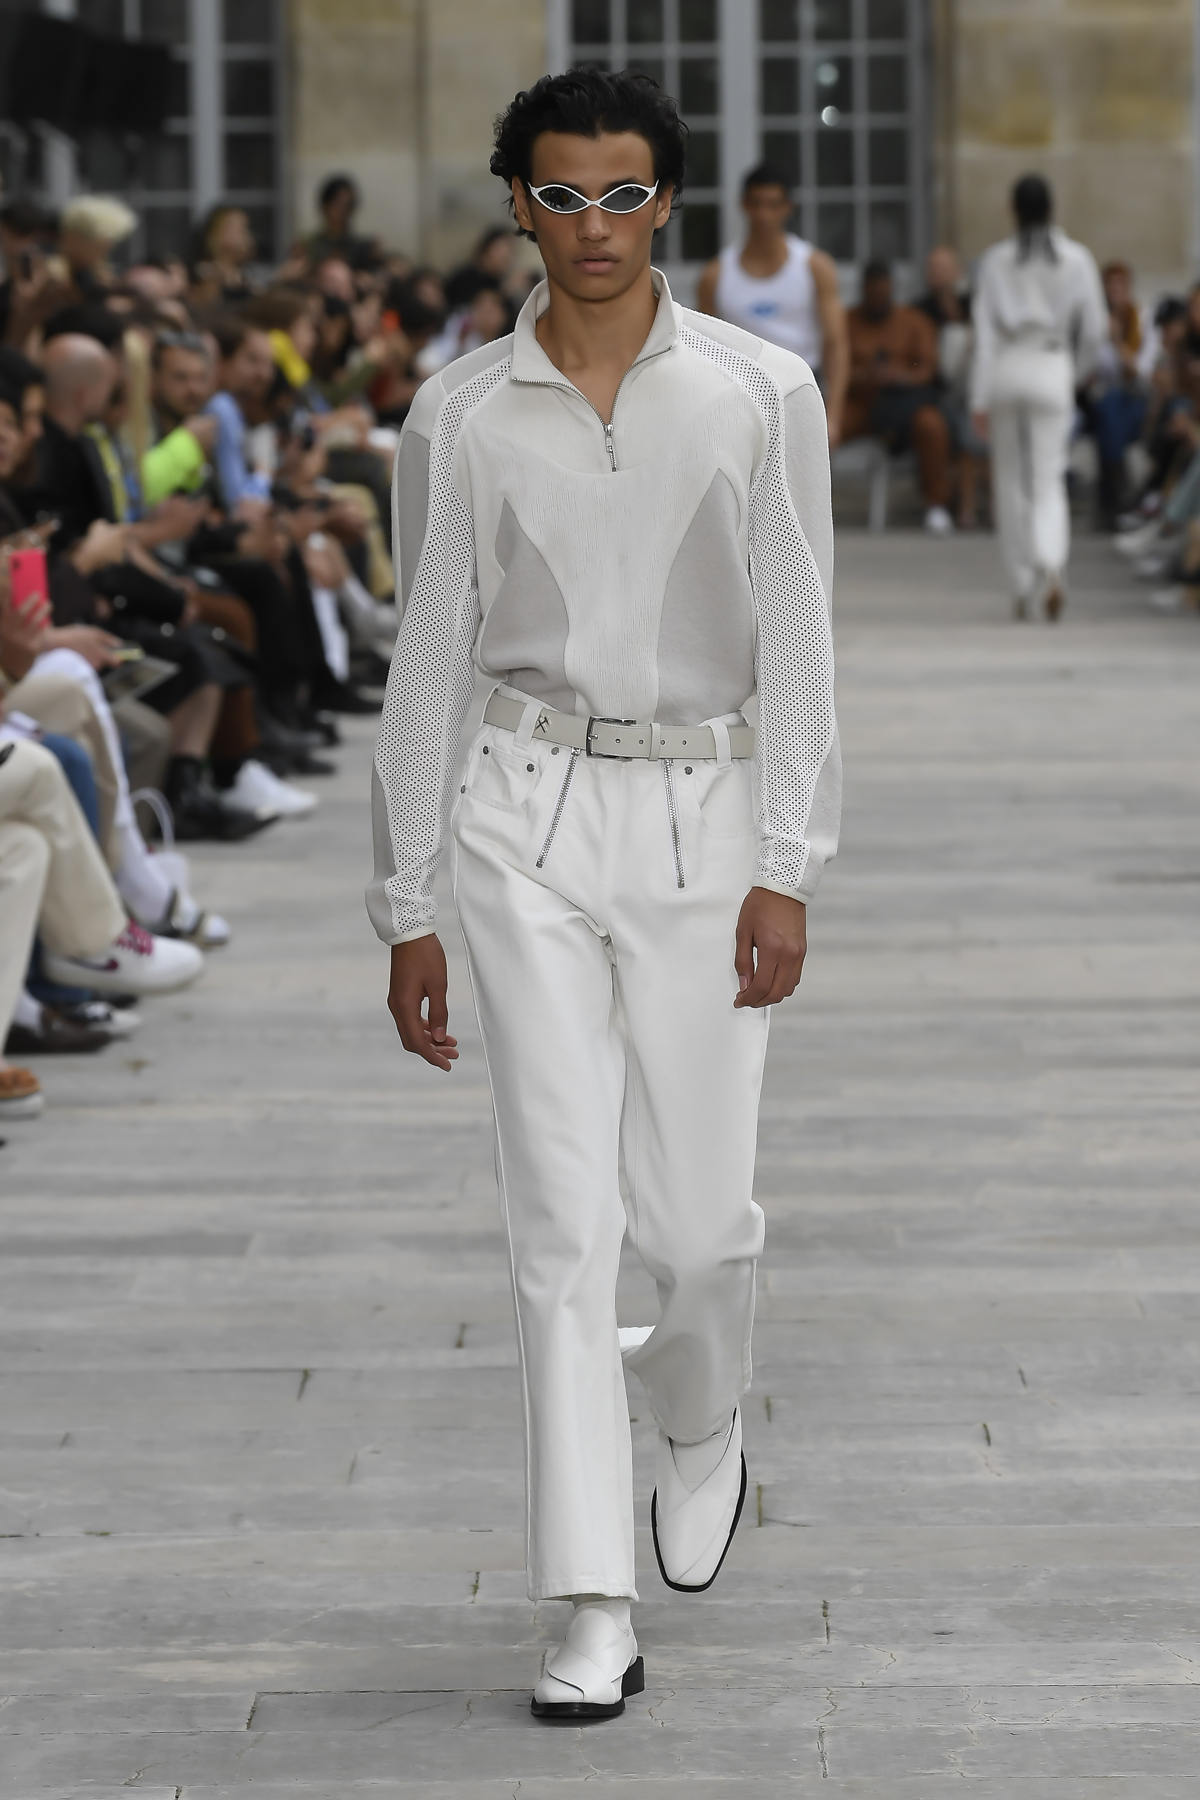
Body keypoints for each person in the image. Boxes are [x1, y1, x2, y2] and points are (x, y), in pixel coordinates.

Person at [369, 67, 838, 1723]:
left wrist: (789, 863)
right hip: (523, 819)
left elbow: (802, 636)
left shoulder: (762, 390)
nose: (593, 226)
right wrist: (407, 901)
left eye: (622, 193)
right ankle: (588, 1602)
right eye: (561, 195)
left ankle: (700, 1415)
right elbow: (428, 657)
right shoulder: (457, 415)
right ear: (518, 202)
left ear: (667, 202)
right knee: (561, 1226)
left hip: (711, 814)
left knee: (700, 1231)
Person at [971, 174, 1107, 619]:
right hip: (1052, 362)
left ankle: (1020, 581)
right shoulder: (1077, 258)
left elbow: (985, 335)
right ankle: (1051, 562)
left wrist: (978, 398)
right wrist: (1075, 373)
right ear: (1052, 208)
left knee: (1010, 480)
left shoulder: (996, 260)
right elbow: (1095, 331)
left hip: (1008, 365)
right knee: (1048, 478)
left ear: (1014, 209)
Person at [696, 162, 848, 446]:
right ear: (744, 205)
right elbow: (704, 353)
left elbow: (836, 342)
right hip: (740, 395)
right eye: (757, 204)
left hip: (801, 389)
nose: (764, 214)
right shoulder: (715, 275)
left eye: (773, 205)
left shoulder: (815, 266)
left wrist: (834, 415)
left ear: (787, 208)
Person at [842, 259, 953, 534]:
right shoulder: (847, 321)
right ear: (863, 290)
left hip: (903, 404)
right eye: (872, 294)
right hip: (861, 403)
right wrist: (865, 375)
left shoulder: (914, 321)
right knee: (820, 428)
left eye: (883, 293)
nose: (878, 299)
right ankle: (804, 504)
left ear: (892, 290)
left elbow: (928, 369)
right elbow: (836, 368)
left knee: (932, 424)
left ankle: (936, 505)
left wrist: (900, 375)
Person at [915, 246, 987, 529]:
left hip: (973, 393)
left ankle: (981, 505)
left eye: (944, 268)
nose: (938, 274)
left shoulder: (976, 309)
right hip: (936, 394)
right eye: (933, 268)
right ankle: (959, 505)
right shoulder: (920, 311)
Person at [1087, 261, 1157, 528]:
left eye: (1119, 286)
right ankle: (1118, 493)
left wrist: (1117, 342)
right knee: (1108, 407)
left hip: (1138, 400)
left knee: (1110, 411)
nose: (1114, 292)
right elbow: (1092, 369)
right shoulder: (1096, 321)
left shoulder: (1143, 319)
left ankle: (1114, 495)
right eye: (1109, 286)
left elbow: (1143, 372)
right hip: (1106, 402)